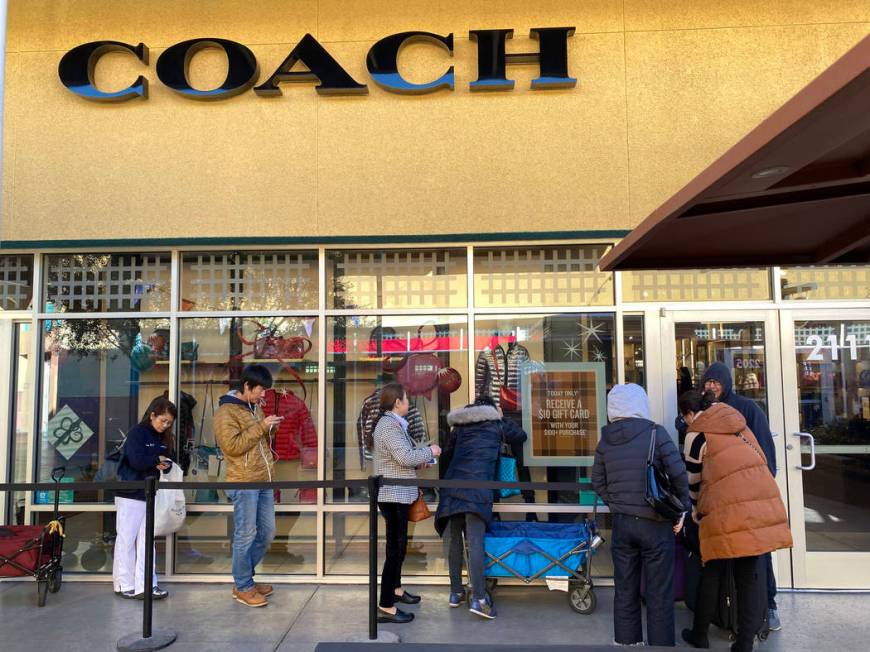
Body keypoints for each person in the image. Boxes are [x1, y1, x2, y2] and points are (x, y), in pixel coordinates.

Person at [679, 389, 793, 652]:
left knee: (713, 570)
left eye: (685, 417)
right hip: (758, 504)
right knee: (748, 576)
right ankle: (744, 644)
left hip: (724, 508)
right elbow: (761, 458)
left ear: (689, 413)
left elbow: (693, 480)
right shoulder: (738, 424)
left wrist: (696, 510)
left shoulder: (696, 433)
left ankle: (700, 635)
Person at [591, 383, 689, 647]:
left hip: (622, 524)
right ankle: (659, 645)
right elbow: (679, 473)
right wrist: (681, 508)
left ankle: (626, 641)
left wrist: (616, 503)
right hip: (655, 524)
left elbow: (597, 480)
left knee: (625, 588)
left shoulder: (605, 440)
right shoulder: (656, 434)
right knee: (659, 591)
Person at [700, 361, 781, 631]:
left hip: (750, 499)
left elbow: (767, 456)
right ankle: (727, 614)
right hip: (721, 500)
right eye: (707, 382)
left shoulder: (748, 409)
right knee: (724, 559)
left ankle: (768, 607)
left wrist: (761, 488)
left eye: (716, 381)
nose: (711, 386)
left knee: (757, 557)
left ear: (727, 383)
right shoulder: (704, 413)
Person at [435, 395, 527, 620]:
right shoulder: (497, 424)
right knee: (476, 542)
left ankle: (456, 593)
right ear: (491, 409)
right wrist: (502, 416)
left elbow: (447, 456)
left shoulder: (460, 427)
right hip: (477, 489)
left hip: (453, 486)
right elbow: (521, 435)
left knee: (455, 541)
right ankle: (478, 598)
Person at [214, 364, 284, 608]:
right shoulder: (226, 412)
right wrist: (261, 427)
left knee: (267, 532)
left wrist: (269, 430)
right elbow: (232, 447)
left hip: (263, 480)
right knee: (245, 535)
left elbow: (257, 444)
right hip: (243, 481)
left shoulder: (253, 408)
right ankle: (243, 585)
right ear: (246, 386)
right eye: (260, 390)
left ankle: (245, 579)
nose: (263, 395)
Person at [373, 382, 441, 624]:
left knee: (399, 546)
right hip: (394, 496)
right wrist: (430, 451)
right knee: (395, 549)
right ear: (396, 403)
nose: (409, 403)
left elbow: (401, 459)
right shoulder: (390, 426)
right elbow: (404, 457)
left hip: (398, 494)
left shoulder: (393, 424)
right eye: (405, 399)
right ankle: (386, 605)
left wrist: (418, 460)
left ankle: (396, 589)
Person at [113, 396, 177, 600]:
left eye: (169, 423)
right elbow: (136, 460)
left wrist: (163, 462)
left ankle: (146, 584)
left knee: (147, 541)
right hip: (131, 493)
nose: (165, 425)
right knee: (127, 538)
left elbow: (169, 459)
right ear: (152, 415)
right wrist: (155, 460)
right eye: (163, 421)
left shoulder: (164, 437)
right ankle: (124, 583)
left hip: (151, 494)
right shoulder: (137, 433)